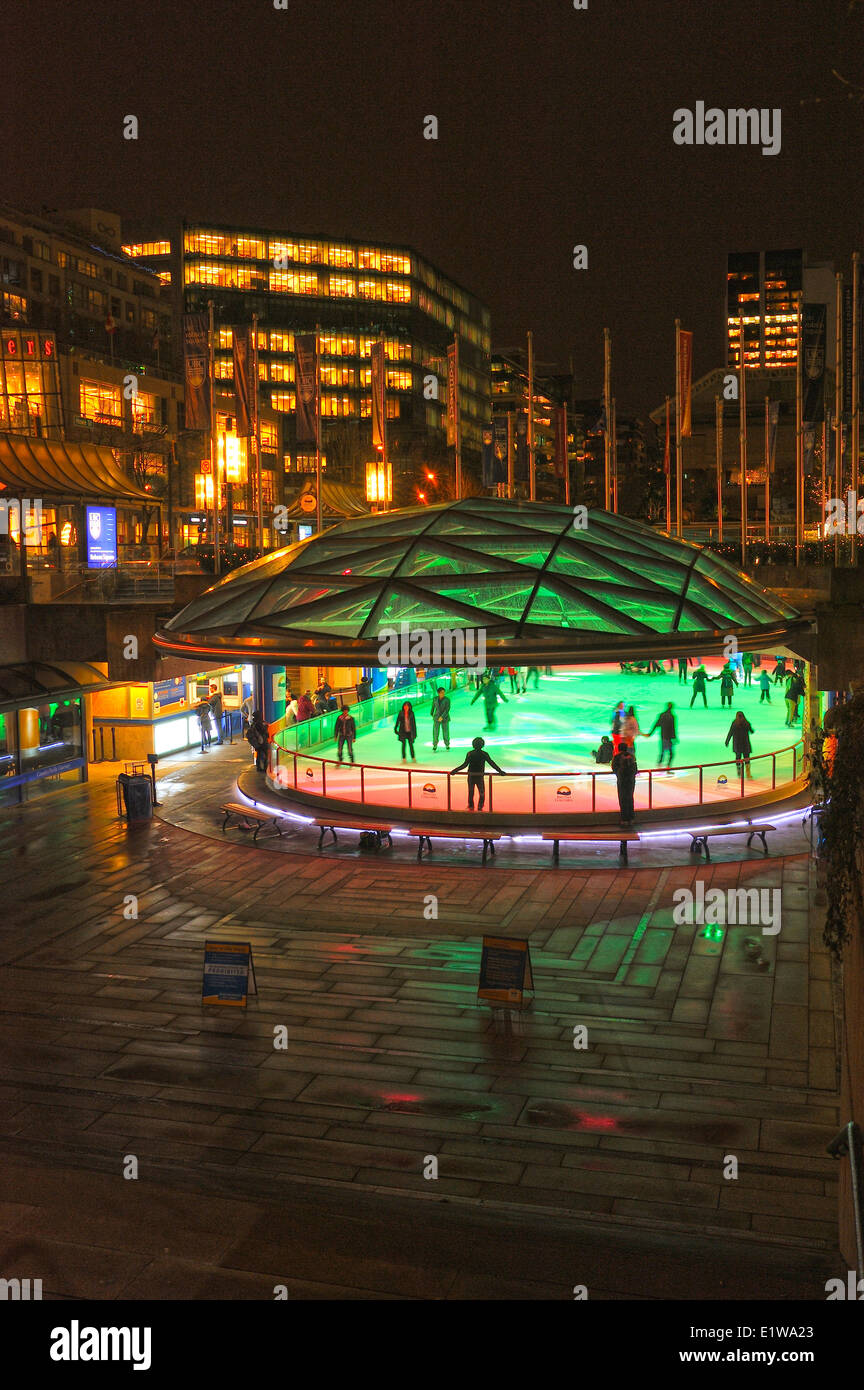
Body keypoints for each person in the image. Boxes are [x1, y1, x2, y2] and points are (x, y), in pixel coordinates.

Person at [451, 736, 507, 811]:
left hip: (471, 775)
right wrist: (500, 771)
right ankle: (480, 806)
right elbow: (492, 763)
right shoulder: (484, 754)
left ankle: (471, 806)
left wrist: (455, 770)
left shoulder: (470, 753)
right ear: (482, 745)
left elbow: (465, 765)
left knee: (471, 791)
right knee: (481, 792)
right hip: (479, 776)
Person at [611, 742, 638, 826]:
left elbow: (614, 769)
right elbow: (635, 770)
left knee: (623, 799)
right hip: (630, 781)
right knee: (630, 798)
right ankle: (631, 818)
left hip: (622, 781)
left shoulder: (616, 757)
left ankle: (624, 819)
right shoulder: (632, 757)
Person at [648, 702, 677, 771]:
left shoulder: (662, 715)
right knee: (670, 753)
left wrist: (651, 733)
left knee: (663, 752)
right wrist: (674, 737)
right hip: (669, 737)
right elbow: (673, 728)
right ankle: (668, 766)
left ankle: (660, 764)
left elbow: (656, 724)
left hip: (663, 736)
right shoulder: (672, 716)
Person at [725, 710, 754, 778]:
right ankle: (748, 773)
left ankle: (739, 772)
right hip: (745, 744)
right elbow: (751, 731)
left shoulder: (734, 723)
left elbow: (730, 733)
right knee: (747, 758)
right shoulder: (746, 723)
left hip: (737, 745)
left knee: (738, 758)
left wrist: (727, 741)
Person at [430, 687, 451, 751]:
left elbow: (447, 709)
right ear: (438, 693)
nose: (443, 693)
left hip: (445, 718)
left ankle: (447, 744)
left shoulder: (447, 700)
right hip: (436, 718)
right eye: (442, 692)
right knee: (435, 732)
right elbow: (433, 707)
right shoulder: (435, 699)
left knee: (445, 732)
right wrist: (431, 713)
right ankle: (435, 744)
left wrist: (442, 717)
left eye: (444, 692)